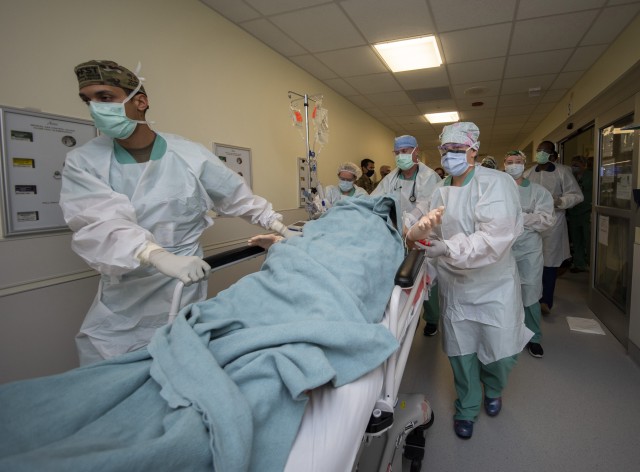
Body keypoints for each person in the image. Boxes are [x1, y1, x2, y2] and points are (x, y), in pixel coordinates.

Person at [60, 60, 291, 365]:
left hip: (183, 290)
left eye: (105, 97)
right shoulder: (84, 162)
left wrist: (281, 228)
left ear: (139, 101)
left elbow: (236, 195)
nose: (95, 108)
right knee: (107, 375)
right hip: (122, 301)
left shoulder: (188, 155)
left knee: (181, 367)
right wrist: (157, 255)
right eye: (87, 100)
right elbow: (98, 221)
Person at [406, 122, 532, 439]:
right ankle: (467, 406)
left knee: (500, 353)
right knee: (461, 353)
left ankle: (493, 387)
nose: (449, 156)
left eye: (457, 150)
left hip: (494, 284)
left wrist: (447, 247)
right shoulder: (438, 191)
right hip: (456, 284)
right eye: (445, 150)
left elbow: (494, 239)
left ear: (473, 151)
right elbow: (426, 223)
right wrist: (412, 231)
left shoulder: (497, 183)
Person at [371, 135, 441, 335]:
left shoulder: (429, 177)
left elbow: (426, 204)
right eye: (398, 152)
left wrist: (410, 221)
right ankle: (408, 317)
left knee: (428, 277)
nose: (402, 155)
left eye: (406, 151)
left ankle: (432, 318)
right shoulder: (391, 178)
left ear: (416, 151)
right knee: (403, 279)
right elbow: (375, 198)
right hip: (398, 235)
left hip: (424, 233)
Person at [504, 151, 555, 358]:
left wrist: (520, 218)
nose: (513, 165)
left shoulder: (538, 191)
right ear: (503, 165)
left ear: (524, 164)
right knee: (504, 294)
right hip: (501, 249)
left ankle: (534, 337)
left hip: (528, 250)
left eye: (517, 162)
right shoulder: (496, 190)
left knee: (531, 294)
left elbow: (546, 220)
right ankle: (507, 336)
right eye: (509, 162)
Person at [523, 141, 583, 314]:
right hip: (532, 223)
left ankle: (546, 300)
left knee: (549, 262)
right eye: (539, 151)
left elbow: (577, 195)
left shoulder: (562, 172)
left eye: (545, 151)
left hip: (553, 222)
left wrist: (561, 201)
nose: (541, 154)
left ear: (554, 156)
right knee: (532, 259)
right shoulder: (528, 173)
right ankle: (532, 296)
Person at [567, 156, 592, 273]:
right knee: (576, 241)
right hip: (573, 213)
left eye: (577, 165)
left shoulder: (591, 176)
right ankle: (579, 263)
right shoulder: (571, 177)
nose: (574, 167)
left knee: (589, 240)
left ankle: (592, 264)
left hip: (587, 212)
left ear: (584, 165)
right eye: (573, 165)